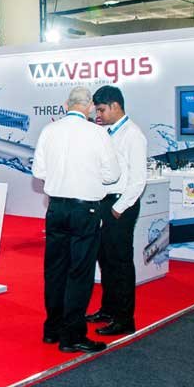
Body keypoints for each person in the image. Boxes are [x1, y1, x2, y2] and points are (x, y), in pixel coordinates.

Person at [32, 86, 120, 353]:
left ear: (65, 105)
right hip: (85, 211)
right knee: (80, 273)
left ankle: (53, 329)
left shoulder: (49, 131)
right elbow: (112, 175)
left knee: (55, 270)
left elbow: (39, 172)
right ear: (90, 106)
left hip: (56, 208)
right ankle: (72, 336)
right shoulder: (98, 133)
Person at [86, 85, 148, 336]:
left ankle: (124, 319)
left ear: (115, 106)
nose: (98, 115)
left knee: (120, 262)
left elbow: (138, 179)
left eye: (101, 110)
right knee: (106, 260)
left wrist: (118, 208)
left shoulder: (133, 135)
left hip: (121, 205)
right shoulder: (107, 133)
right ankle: (109, 309)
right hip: (105, 203)